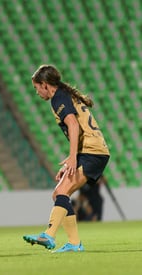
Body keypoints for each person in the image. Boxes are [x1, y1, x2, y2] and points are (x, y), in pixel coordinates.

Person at [23, 65, 110, 253]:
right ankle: (74, 243)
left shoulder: (58, 98)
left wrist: (72, 158)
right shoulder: (63, 94)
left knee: (62, 190)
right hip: (90, 151)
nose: (37, 92)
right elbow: (77, 127)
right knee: (59, 194)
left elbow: (72, 125)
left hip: (92, 152)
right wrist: (73, 158)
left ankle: (49, 234)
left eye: (37, 87)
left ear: (45, 85)